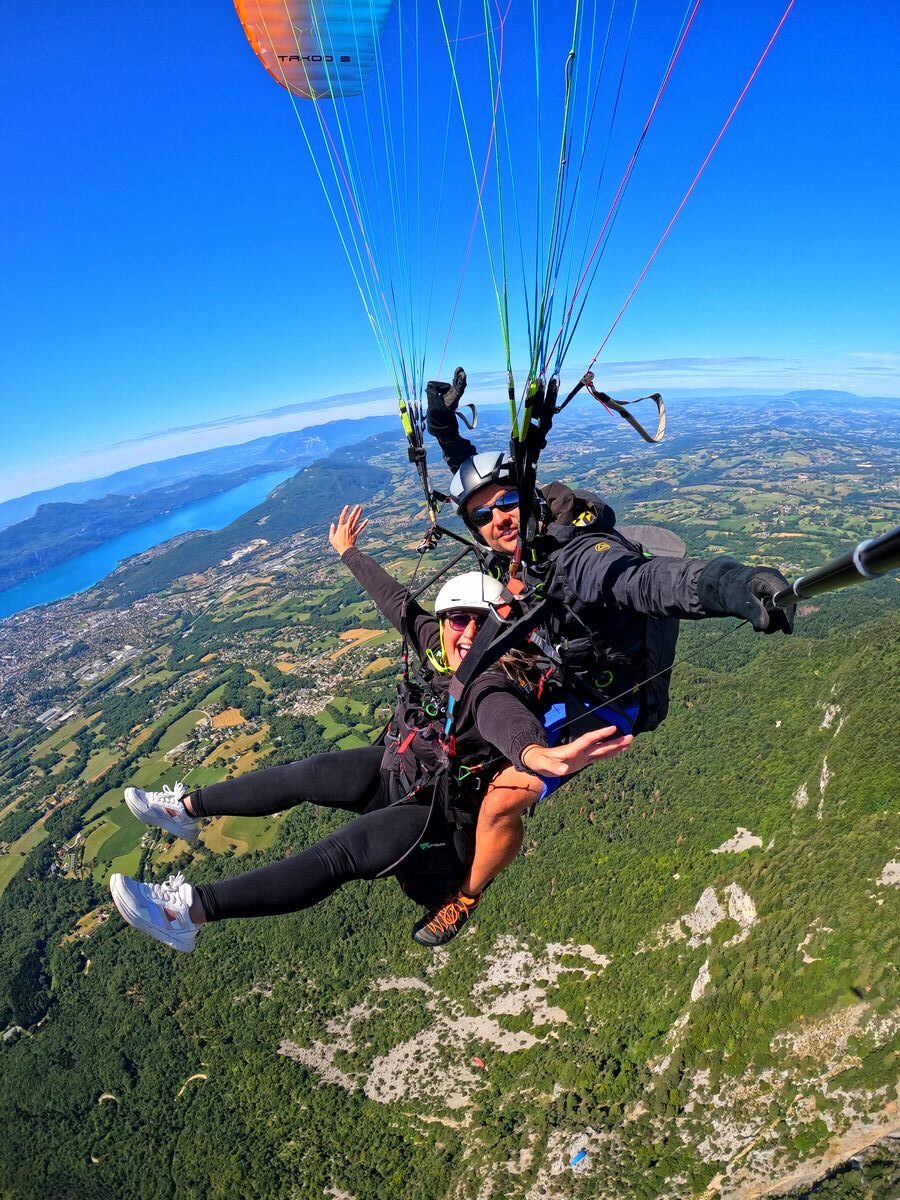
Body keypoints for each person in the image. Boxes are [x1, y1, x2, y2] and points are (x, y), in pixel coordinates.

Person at [108, 505, 632, 953]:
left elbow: (506, 723)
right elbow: (397, 602)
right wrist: (348, 553)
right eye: (458, 620)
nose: (469, 632)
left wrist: (539, 757)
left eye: (483, 621)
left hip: (432, 814)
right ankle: (186, 810)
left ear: (502, 626)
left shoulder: (492, 679)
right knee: (303, 775)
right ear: (445, 620)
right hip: (394, 769)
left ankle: (187, 916)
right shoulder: (436, 641)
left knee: (337, 854)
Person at [415, 373, 796, 941]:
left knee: (499, 800)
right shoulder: (518, 519)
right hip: (562, 665)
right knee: (465, 704)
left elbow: (645, 582)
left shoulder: (577, 557)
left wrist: (730, 586)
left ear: (527, 493)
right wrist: (444, 426)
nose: (497, 521)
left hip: (612, 696)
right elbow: (481, 478)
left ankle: (467, 895)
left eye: (507, 505)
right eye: (480, 517)